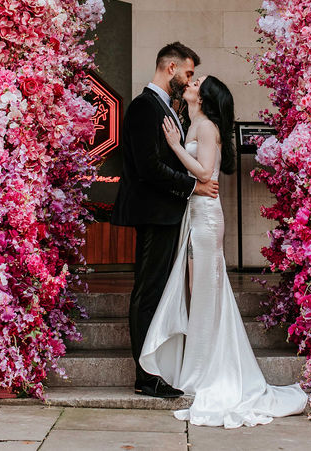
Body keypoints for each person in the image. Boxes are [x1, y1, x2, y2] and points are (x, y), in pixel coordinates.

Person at [140, 75, 308, 427]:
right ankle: (198, 365)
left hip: (206, 221)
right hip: (196, 215)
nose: (189, 81)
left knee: (204, 294)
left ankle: (204, 372)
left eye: (196, 81)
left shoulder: (207, 128)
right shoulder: (195, 122)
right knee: (198, 294)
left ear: (204, 95)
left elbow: (204, 172)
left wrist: (173, 146)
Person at [111, 42, 220, 399]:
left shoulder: (167, 107)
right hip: (154, 213)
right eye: (189, 73)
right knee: (148, 292)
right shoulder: (145, 106)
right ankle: (145, 377)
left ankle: (155, 367)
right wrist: (193, 187)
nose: (190, 79)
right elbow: (148, 168)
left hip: (168, 213)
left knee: (157, 291)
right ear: (171, 68)